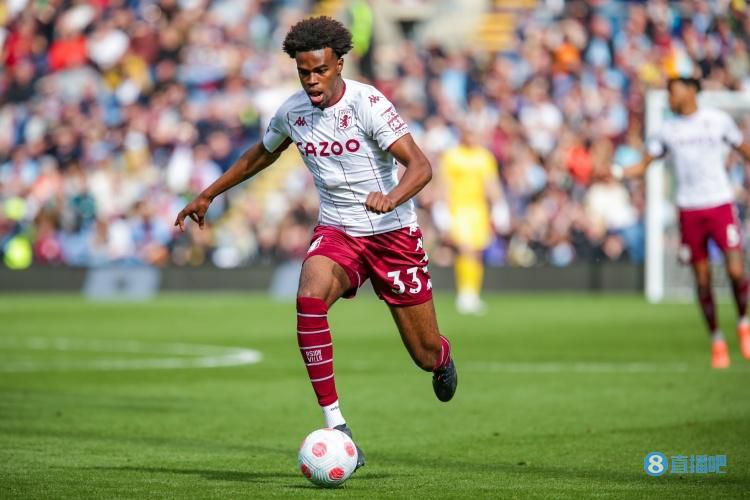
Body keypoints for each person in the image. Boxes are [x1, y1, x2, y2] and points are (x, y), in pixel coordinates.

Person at [174, 16, 457, 470]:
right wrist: (209, 193)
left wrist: (391, 197)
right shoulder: (292, 112)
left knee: (423, 354)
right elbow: (261, 154)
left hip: (392, 237)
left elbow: (420, 167)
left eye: (320, 71)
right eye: (304, 72)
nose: (311, 81)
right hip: (338, 232)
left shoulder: (369, 103)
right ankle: (337, 424)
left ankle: (441, 357)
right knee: (308, 295)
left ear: (339, 64)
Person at [614, 75, 750, 369]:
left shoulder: (718, 121)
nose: (670, 99)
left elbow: (744, 149)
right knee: (702, 279)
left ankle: (743, 321)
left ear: (691, 92)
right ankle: (716, 339)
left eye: (674, 93)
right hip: (689, 210)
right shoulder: (667, 131)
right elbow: (643, 166)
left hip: (720, 204)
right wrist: (616, 173)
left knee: (736, 270)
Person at [436, 122, 509, 314]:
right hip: (458, 208)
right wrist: (442, 207)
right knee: (465, 248)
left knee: (476, 251)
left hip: (479, 209)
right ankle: (465, 294)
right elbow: (445, 183)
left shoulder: (484, 157)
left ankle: (473, 293)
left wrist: (500, 205)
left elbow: (491, 183)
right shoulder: (452, 156)